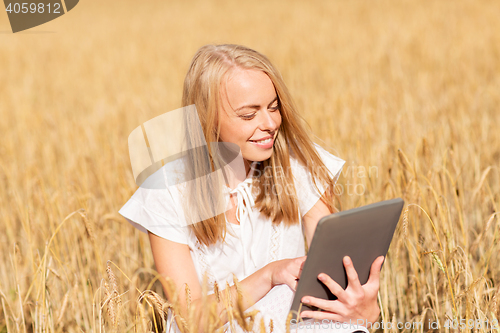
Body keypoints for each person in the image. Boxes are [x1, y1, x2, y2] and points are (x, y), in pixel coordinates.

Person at [119, 44, 384, 333]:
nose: (270, 123)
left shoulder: (302, 165)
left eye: (273, 107)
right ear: (206, 120)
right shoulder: (167, 190)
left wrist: (364, 309)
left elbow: (337, 272)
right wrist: (269, 276)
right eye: (249, 115)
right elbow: (190, 320)